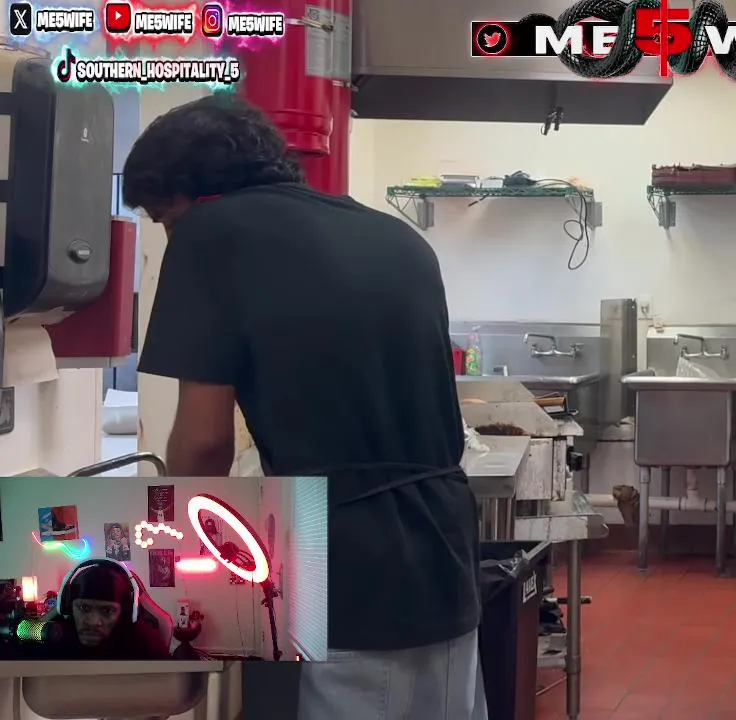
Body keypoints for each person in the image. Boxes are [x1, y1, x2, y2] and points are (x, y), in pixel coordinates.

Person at [122, 95, 486, 719]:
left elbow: (204, 443)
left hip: (347, 564)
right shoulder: (396, 236)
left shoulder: (211, 234)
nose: (168, 236)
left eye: (164, 218)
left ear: (195, 196)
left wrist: (170, 555)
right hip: (446, 552)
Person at [32, 559, 171, 660]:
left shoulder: (145, 644)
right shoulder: (56, 636)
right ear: (67, 605)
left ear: (126, 611)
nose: (93, 622)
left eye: (107, 611)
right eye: (84, 607)